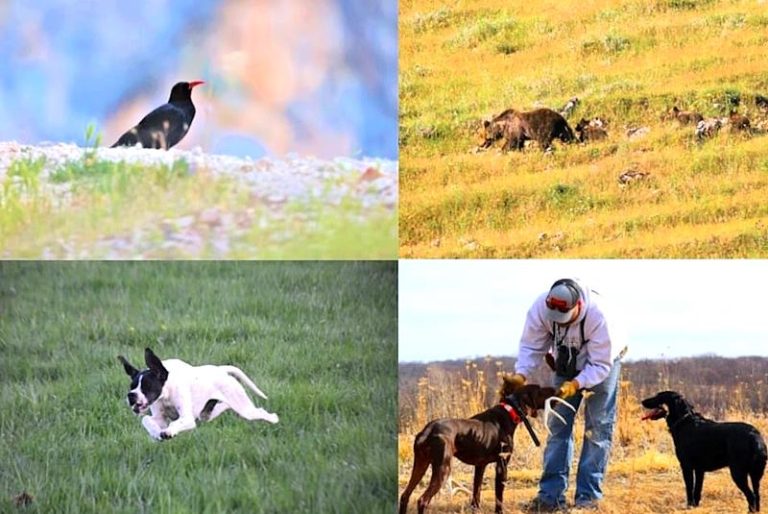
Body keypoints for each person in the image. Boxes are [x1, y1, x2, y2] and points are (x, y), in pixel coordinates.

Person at [508, 278, 626, 512]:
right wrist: (520, 375)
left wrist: (577, 383)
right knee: (557, 427)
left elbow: (601, 365)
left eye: (566, 318)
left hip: (602, 365)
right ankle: (550, 498)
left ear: (579, 306)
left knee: (597, 430)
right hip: (566, 362)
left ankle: (588, 500)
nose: (559, 323)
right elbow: (532, 346)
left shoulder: (599, 316)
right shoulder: (541, 307)